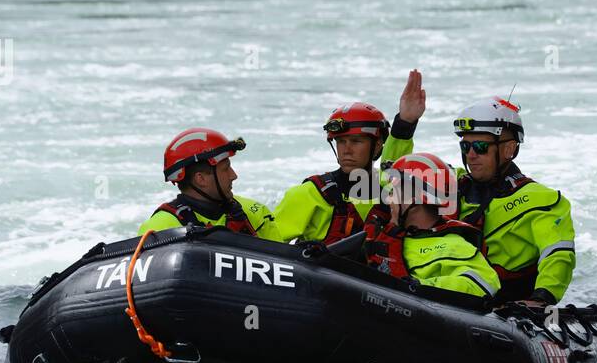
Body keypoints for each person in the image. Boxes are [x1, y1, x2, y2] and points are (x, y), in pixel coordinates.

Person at [271, 71, 425, 245]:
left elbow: (394, 165)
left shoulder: (389, 190)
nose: (347, 150)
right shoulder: (309, 193)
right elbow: (267, 246)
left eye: (356, 141)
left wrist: (405, 123)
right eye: (341, 142)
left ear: (378, 145)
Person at [452, 97, 575, 306]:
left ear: (509, 149)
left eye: (480, 146)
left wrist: (542, 297)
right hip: (444, 295)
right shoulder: (449, 183)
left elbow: (558, 254)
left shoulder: (541, 200)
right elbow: (391, 179)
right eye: (465, 146)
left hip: (502, 309)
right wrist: (405, 126)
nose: (471, 155)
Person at [364, 153, 501, 299]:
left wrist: (419, 286)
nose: (389, 199)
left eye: (394, 192)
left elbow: (485, 283)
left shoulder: (453, 245)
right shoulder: (386, 233)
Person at [138, 127, 281, 239]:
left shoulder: (255, 213)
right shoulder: (160, 227)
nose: (234, 175)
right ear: (201, 179)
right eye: (225, 169)